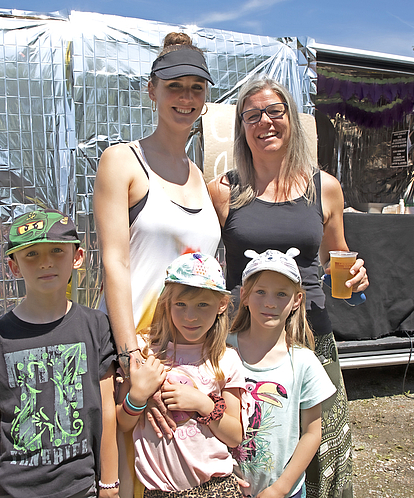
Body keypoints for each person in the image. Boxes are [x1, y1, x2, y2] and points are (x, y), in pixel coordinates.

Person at [208, 74, 369, 498]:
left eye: (275, 111)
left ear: (292, 120)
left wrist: (355, 279)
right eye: (252, 115)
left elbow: (340, 270)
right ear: (242, 127)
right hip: (242, 339)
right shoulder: (225, 191)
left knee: (324, 444)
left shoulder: (324, 187)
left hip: (311, 334)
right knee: (249, 438)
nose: (265, 122)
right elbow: (202, 270)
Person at [93, 31, 221, 497]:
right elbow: (115, 263)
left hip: (188, 357)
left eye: (196, 88)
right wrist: (132, 357)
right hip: (137, 353)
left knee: (181, 472)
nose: (185, 98)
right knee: (128, 477)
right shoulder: (122, 161)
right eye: (174, 86)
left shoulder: (204, 183)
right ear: (152, 90)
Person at [0, 209, 118, 498]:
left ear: (77, 257)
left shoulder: (97, 327)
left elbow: (105, 409)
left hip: (80, 488)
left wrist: (109, 482)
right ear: (13, 266)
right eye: (31, 254)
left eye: (56, 250)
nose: (45, 262)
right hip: (13, 490)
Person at [116, 252, 248, 497]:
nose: (190, 316)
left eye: (202, 305)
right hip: (159, 491)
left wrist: (203, 403)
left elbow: (235, 436)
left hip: (216, 489)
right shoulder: (143, 351)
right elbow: (123, 424)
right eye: (181, 305)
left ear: (221, 305)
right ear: (167, 302)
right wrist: (137, 397)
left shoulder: (226, 359)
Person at [228, 248, 336, 498]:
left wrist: (280, 488)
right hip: (225, 485)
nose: (269, 302)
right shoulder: (222, 349)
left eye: (281, 294)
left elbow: (312, 432)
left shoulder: (304, 362)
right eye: (260, 292)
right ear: (244, 295)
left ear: (297, 300)